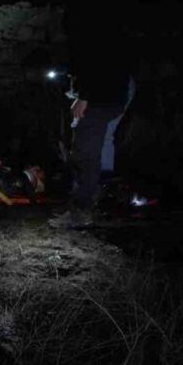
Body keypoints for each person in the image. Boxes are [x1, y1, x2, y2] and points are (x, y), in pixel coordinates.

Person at [51, 21, 136, 228]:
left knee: (86, 153)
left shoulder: (95, 36)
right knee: (84, 150)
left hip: (103, 98)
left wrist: (85, 96)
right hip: (106, 96)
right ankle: (80, 203)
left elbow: (99, 65)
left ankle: (82, 209)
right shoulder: (95, 36)